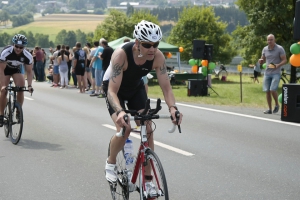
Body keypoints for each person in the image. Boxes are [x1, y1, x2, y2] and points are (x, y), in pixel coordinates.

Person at [104, 20, 183, 195]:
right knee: (124, 128)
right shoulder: (121, 55)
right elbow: (112, 91)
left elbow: (167, 88)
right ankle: (110, 162)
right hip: (114, 89)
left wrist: (173, 108)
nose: (152, 49)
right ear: (137, 43)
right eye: (147, 45)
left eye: (156, 44)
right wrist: (120, 112)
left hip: (135, 88)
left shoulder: (158, 57)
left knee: (148, 126)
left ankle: (148, 182)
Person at [0, 34, 34, 127]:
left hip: (17, 69)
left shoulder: (27, 56)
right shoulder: (6, 52)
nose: (18, 49)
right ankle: (1, 115)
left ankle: (18, 111)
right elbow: (1, 69)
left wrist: (30, 85)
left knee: (21, 88)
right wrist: (3, 85)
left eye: (21, 47)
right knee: (3, 91)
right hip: (5, 69)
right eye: (16, 46)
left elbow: (30, 72)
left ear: (24, 47)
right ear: (13, 44)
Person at [258, 34, 287, 114]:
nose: (269, 41)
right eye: (268, 40)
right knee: (267, 91)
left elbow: (284, 60)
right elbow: (262, 59)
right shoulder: (265, 49)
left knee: (272, 90)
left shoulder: (280, 49)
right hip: (267, 73)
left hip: (276, 73)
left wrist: (278, 65)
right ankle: (270, 109)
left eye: (271, 40)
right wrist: (260, 61)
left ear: (274, 40)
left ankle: (277, 105)